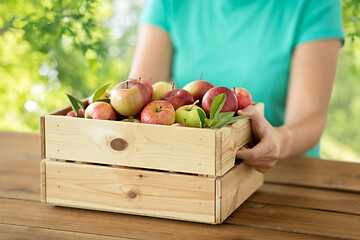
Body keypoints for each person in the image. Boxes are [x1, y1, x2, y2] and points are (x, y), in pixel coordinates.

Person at [128, 0, 344, 173]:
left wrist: (276, 142)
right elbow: (139, 97)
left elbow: (310, 119)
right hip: (190, 170)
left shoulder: (314, 3)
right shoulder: (170, 3)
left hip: (284, 177)